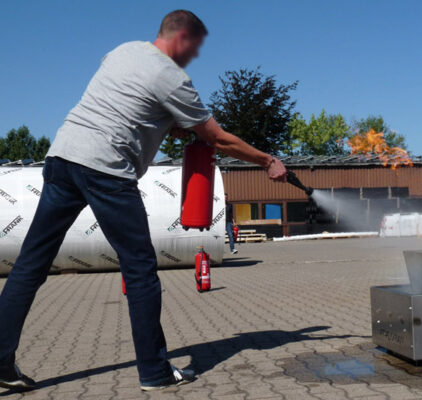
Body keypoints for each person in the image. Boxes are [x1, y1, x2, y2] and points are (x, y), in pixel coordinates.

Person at [0, 10, 286, 392]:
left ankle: (0, 362)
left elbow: (129, 102)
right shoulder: (173, 78)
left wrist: (166, 123)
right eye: (195, 48)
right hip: (106, 169)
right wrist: (267, 160)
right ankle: (154, 372)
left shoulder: (122, 51)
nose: (194, 57)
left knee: (30, 265)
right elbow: (218, 138)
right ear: (182, 38)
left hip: (62, 157)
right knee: (139, 268)